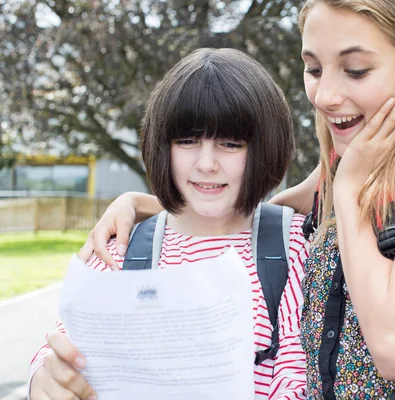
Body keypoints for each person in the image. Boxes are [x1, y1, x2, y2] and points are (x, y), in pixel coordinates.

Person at [80, 0, 395, 399]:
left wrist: (346, 191)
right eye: (314, 68)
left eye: (355, 69)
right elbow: (257, 214)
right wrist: (150, 208)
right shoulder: (360, 156)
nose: (324, 95)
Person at [29, 48, 309, 400]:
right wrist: (46, 379)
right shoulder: (122, 248)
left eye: (231, 144)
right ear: (163, 146)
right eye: (187, 141)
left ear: (266, 148)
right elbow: (63, 346)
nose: (206, 163)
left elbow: (297, 379)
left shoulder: (294, 245)